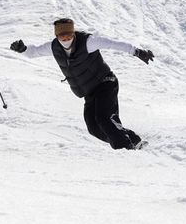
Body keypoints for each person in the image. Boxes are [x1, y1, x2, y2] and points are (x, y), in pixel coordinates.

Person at [10, 18, 154, 150]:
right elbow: (34, 52)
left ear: (73, 33)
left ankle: (127, 149)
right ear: (57, 36)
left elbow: (112, 44)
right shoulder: (54, 47)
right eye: (62, 36)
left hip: (105, 83)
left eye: (69, 36)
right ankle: (132, 140)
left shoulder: (87, 42)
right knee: (93, 127)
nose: (66, 39)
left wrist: (137, 51)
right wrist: (22, 49)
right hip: (89, 92)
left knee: (104, 119)